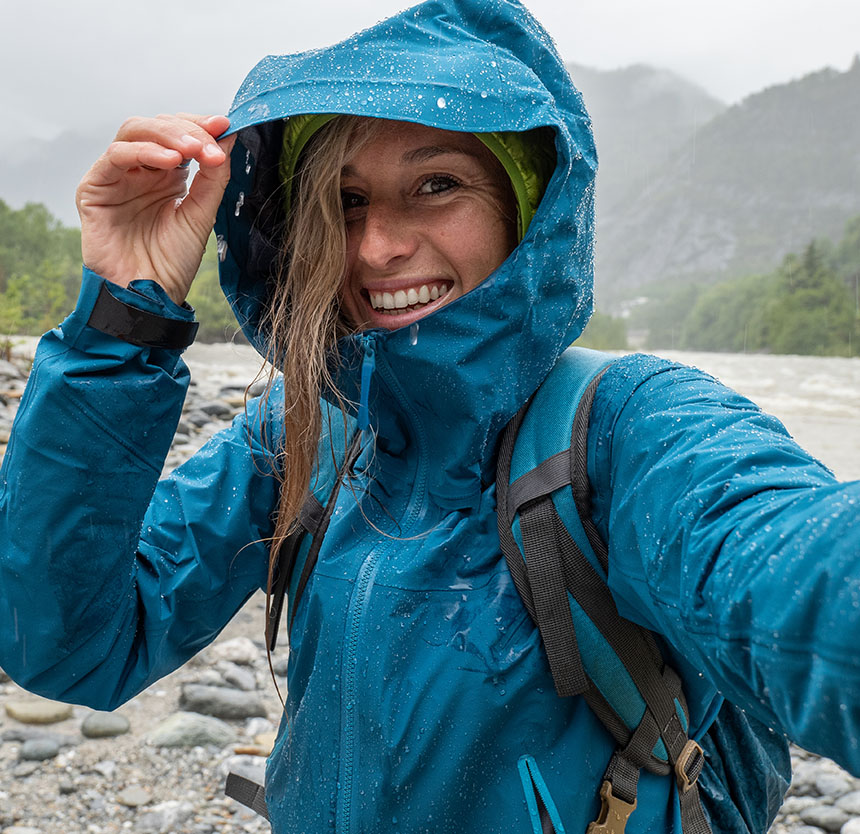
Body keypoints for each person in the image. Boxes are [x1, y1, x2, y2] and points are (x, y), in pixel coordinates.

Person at [1, 0, 858, 832]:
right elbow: (73, 643)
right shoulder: (305, 432)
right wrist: (124, 319)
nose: (375, 247)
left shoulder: (627, 430)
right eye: (344, 201)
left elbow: (796, 572)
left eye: (436, 184)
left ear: (528, 210)